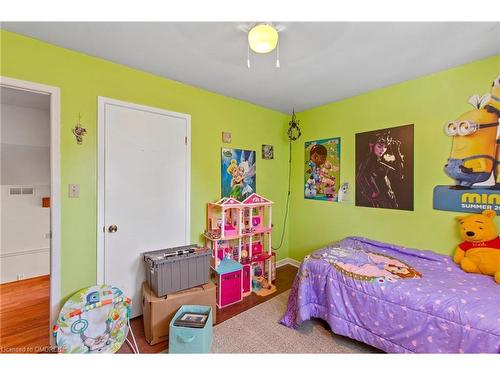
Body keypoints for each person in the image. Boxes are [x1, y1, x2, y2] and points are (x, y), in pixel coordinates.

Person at [356, 132, 404, 209]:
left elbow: (399, 175)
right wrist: (372, 193)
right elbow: (359, 178)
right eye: (380, 146)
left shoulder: (379, 163)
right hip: (381, 203)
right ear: (372, 145)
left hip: (390, 202)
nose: (383, 150)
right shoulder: (368, 161)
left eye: (385, 147)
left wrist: (397, 152)